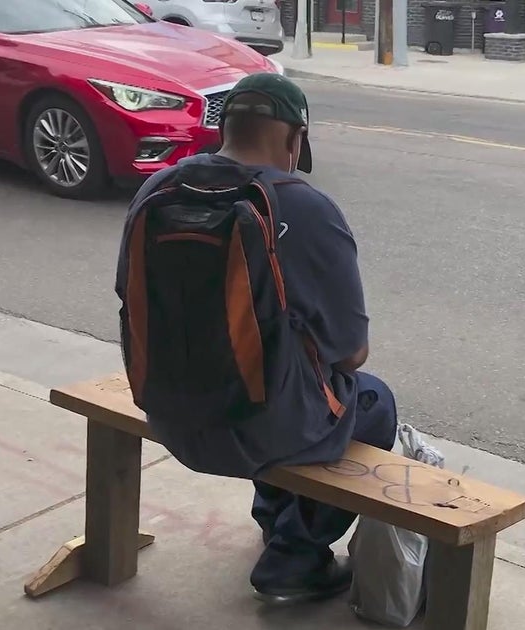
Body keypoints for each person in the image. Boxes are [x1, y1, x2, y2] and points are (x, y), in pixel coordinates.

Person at [115, 73, 398, 604]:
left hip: (168, 411)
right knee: (372, 401)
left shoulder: (158, 188)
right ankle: (295, 553)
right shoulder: (305, 207)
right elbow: (350, 351)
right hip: (256, 431)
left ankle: (275, 517)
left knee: (283, 381)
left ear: (225, 127)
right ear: (295, 140)